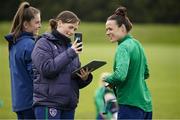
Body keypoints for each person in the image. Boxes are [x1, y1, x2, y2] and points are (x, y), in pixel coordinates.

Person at [31, 10, 93, 119]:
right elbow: (47, 69)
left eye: (75, 29)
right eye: (70, 27)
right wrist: (71, 53)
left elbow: (71, 78)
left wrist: (84, 78)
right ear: (59, 23)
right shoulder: (43, 43)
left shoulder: (71, 48)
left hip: (68, 107)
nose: (72, 32)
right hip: (48, 104)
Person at [103, 6, 152, 119]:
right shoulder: (137, 44)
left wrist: (108, 79)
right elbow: (146, 73)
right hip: (146, 105)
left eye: (110, 29)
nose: (107, 32)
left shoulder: (123, 47)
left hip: (129, 105)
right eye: (106, 29)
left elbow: (120, 76)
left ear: (122, 28)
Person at [4, 2, 41, 119]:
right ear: (25, 24)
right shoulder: (30, 44)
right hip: (31, 102)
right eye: (37, 22)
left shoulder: (15, 43)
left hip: (19, 102)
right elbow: (35, 75)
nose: (40, 25)